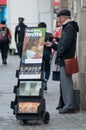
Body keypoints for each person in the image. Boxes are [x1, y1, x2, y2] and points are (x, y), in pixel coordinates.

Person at [55, 9, 79, 114]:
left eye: (60, 17)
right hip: (65, 58)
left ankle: (69, 105)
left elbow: (66, 44)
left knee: (66, 83)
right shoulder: (68, 27)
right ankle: (66, 104)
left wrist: (59, 53)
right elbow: (63, 43)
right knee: (65, 83)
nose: (59, 19)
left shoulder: (69, 27)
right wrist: (54, 44)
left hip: (65, 59)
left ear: (64, 17)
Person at [38, 22, 53, 90]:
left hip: (38, 55)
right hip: (47, 54)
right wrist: (51, 57)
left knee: (39, 69)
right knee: (47, 68)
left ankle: (41, 81)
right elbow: (52, 45)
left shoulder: (36, 35)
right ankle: (45, 81)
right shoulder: (49, 35)